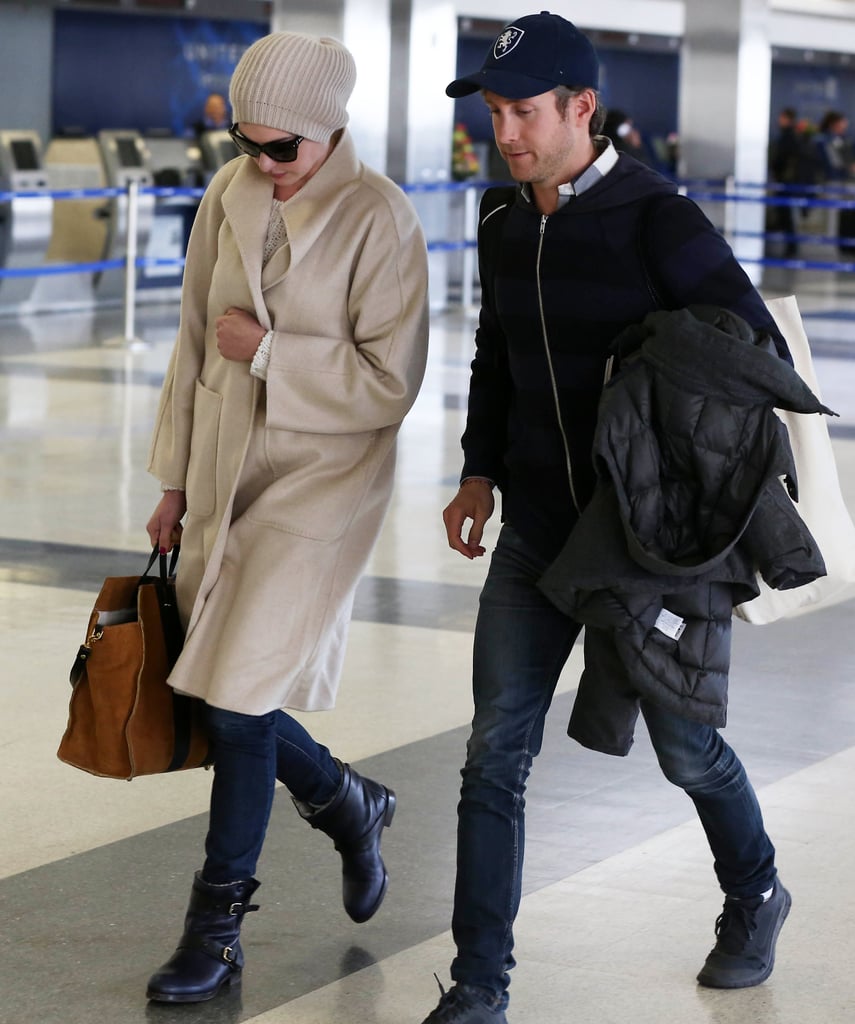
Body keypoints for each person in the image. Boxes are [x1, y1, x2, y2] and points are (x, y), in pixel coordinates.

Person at [421, 13, 793, 1023]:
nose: (506, 135)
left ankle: (755, 889)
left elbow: (751, 358)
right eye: (495, 114)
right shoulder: (505, 224)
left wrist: (668, 464)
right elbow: (497, 356)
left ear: (582, 108)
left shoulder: (657, 221)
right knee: (496, 746)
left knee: (685, 750)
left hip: (644, 546)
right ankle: (481, 984)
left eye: (524, 113)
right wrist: (477, 472)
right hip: (539, 528)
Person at [144, 31, 429, 1004]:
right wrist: (175, 482)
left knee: (237, 696)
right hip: (227, 472)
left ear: (329, 130)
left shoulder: (380, 218)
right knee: (234, 691)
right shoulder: (230, 196)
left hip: (320, 480)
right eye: (246, 142)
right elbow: (190, 342)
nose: (262, 164)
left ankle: (216, 927)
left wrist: (270, 352)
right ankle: (348, 801)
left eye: (283, 149)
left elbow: (391, 384)